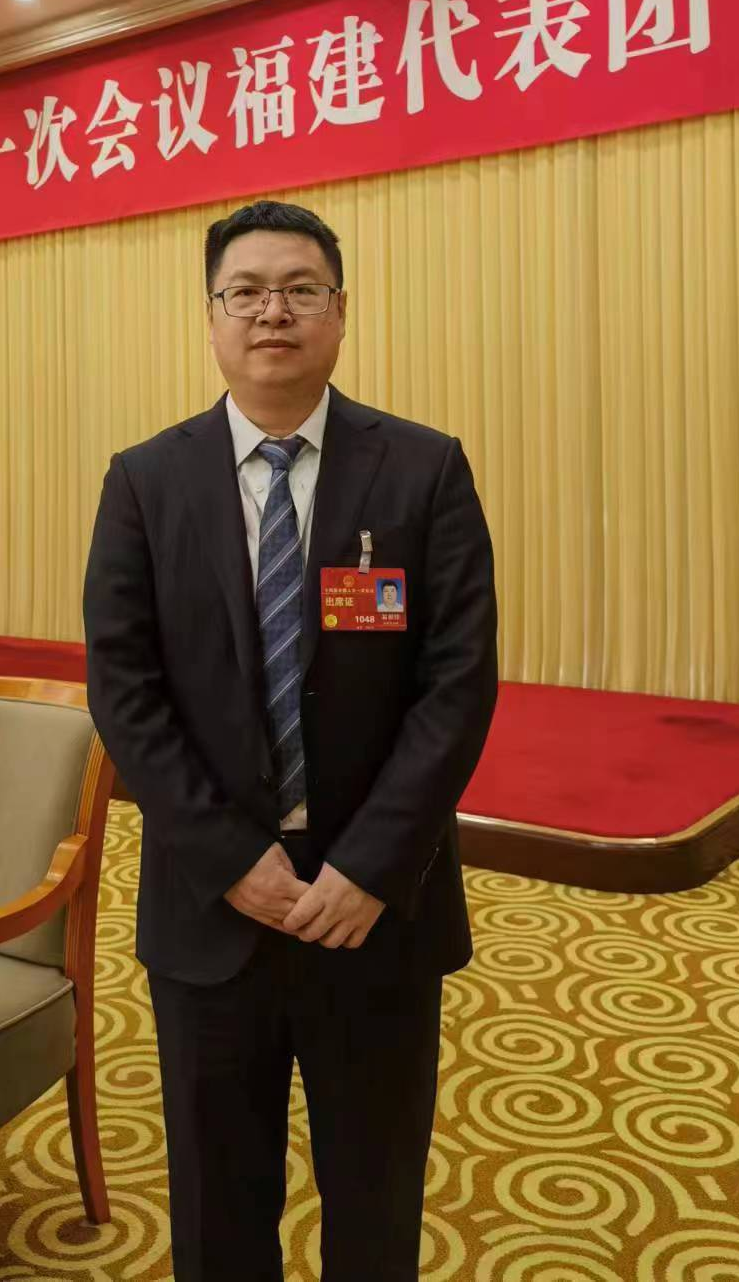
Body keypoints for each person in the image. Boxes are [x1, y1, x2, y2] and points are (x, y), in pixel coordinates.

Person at [83, 199, 498, 1282]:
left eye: (300, 289)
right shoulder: (145, 480)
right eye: (246, 291)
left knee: (375, 1193)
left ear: (340, 310)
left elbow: (456, 685)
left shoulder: (422, 469)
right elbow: (124, 689)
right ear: (211, 316)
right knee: (218, 1204)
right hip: (213, 905)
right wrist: (230, 858)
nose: (273, 311)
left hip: (377, 908)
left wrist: (371, 866)